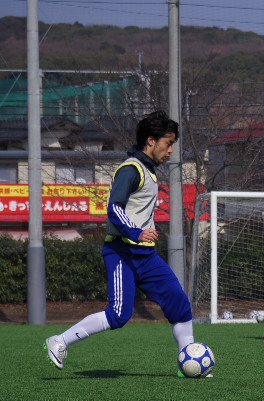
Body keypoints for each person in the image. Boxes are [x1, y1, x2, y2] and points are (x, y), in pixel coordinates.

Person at [44, 110, 203, 376]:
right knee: (119, 314)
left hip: (146, 256)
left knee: (179, 304)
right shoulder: (131, 169)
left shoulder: (148, 170)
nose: (171, 151)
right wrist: (136, 232)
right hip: (122, 252)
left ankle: (188, 362)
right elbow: (114, 208)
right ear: (151, 141)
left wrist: (142, 234)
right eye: (168, 143)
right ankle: (59, 341)